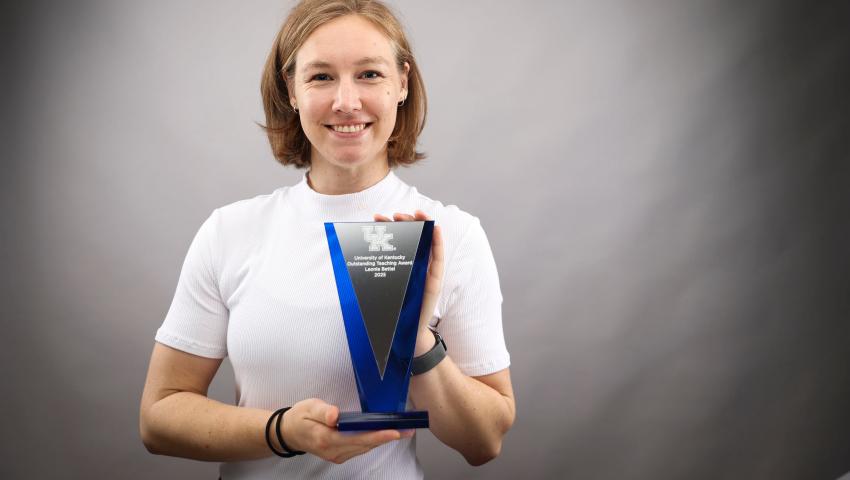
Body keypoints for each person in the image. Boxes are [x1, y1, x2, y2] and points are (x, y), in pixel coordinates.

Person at [139, 0, 515, 478]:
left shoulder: (454, 236)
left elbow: (484, 442)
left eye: (369, 74)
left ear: (402, 82)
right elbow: (159, 417)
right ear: (290, 90)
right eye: (321, 77)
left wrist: (417, 338)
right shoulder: (230, 232)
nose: (346, 102)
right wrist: (282, 432)